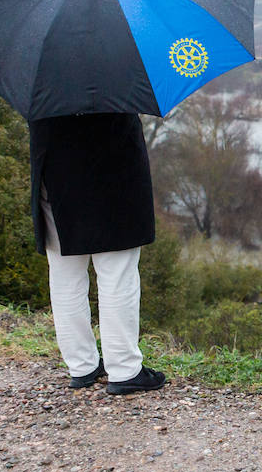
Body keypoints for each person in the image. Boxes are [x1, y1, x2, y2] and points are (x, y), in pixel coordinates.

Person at [30, 112, 166, 395]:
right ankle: (125, 369)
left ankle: (82, 366)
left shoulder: (42, 71)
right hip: (114, 166)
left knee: (65, 275)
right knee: (117, 275)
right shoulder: (120, 69)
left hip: (54, 163)